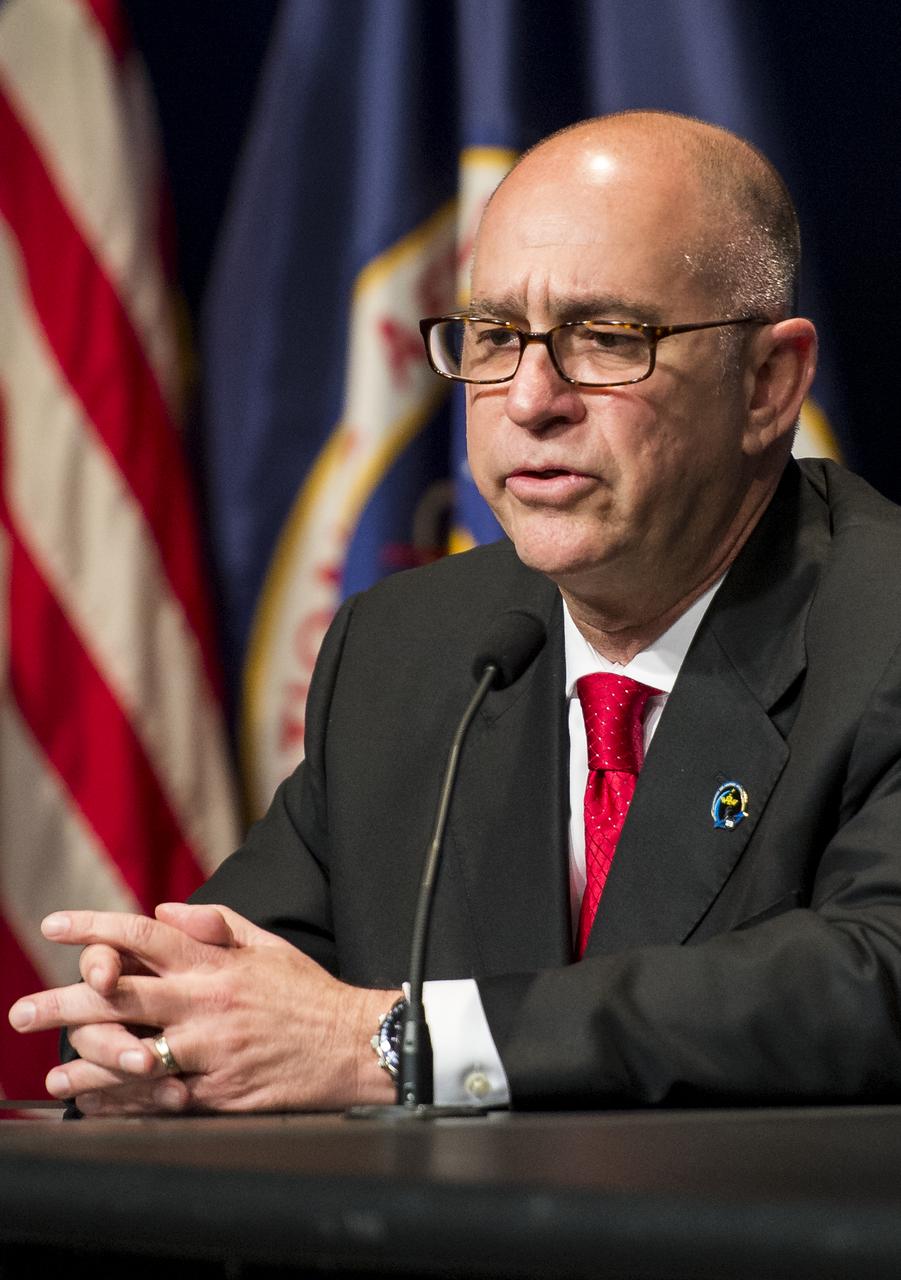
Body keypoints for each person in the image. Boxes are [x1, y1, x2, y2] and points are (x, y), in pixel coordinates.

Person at [11, 111, 901, 1114]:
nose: (529, 399)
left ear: (769, 383)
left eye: (606, 339)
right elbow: (245, 970)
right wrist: (154, 1039)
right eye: (493, 336)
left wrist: (397, 1044)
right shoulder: (413, 647)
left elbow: (871, 978)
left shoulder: (881, 626)